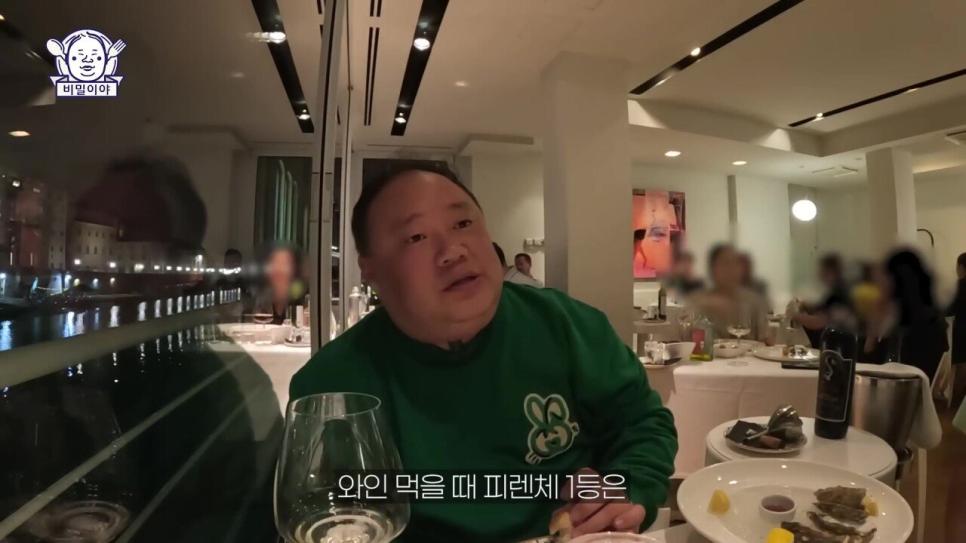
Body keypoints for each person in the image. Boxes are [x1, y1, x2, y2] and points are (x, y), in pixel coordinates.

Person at [290, 167, 677, 542]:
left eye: (463, 224)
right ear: (370, 269)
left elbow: (641, 423)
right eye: (416, 236)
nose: (453, 251)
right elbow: (323, 512)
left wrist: (626, 488)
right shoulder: (332, 384)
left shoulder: (566, 326)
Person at [863, 250, 948, 380]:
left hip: (908, 387)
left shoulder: (925, 322)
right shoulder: (898, 318)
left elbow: (912, 374)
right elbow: (871, 363)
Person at [693, 244, 771, 343]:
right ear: (712, 268)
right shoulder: (697, 301)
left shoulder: (755, 302)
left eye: (736, 263)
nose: (731, 269)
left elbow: (767, 338)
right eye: (726, 263)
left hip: (748, 353)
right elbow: (690, 340)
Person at [792, 254, 853, 347]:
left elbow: (819, 322)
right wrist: (806, 306)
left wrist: (795, 316)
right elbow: (821, 308)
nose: (820, 274)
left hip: (838, 345)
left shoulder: (840, 293)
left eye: (823, 271)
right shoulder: (833, 290)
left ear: (832, 272)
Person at [252, 246, 302, 324]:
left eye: (284, 264)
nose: (280, 269)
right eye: (276, 263)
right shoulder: (262, 296)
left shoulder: (299, 297)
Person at [946, 252, 966, 402]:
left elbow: (949, 310)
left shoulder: (958, 286)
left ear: (961, 267)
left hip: (961, 330)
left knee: (960, 365)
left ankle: (958, 402)